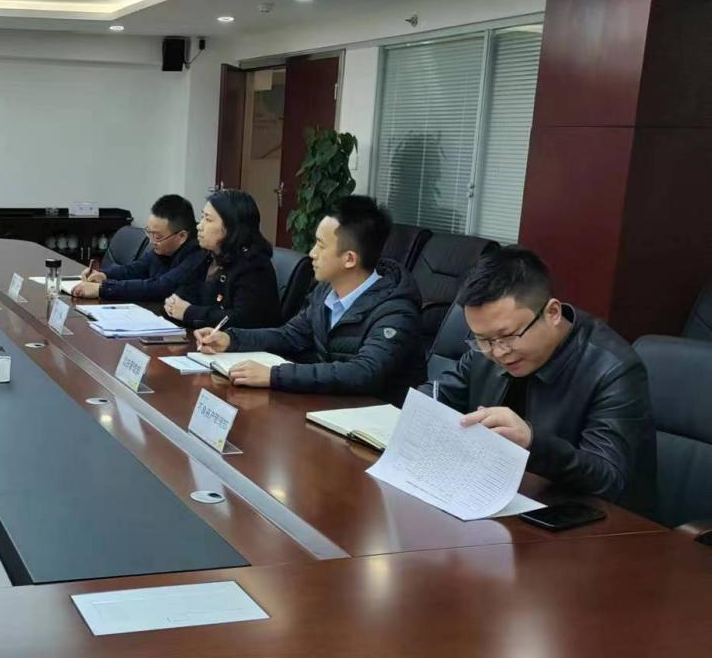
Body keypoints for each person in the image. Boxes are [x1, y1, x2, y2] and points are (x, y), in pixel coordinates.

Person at [438, 246, 657, 511]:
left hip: (585, 519)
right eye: (482, 340)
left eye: (508, 336)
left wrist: (532, 442)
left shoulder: (613, 369)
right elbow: (441, 393)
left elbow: (609, 479)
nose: (498, 352)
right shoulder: (488, 348)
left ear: (552, 313)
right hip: (501, 497)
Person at [194, 196, 423, 399]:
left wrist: (275, 375)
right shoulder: (325, 291)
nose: (312, 253)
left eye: (321, 246)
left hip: (375, 422)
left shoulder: (396, 311)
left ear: (350, 259)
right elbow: (290, 335)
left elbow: (363, 372)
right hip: (329, 406)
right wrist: (231, 339)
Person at [164, 190, 280, 329]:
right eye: (202, 217)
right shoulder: (208, 255)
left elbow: (244, 319)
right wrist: (173, 305)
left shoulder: (253, 266)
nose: (199, 226)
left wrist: (189, 312)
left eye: (208, 219)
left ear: (232, 226)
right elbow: (186, 292)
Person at [71, 195, 207, 302]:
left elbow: (160, 287)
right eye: (149, 232)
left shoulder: (197, 254)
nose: (151, 241)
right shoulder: (162, 248)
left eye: (157, 236)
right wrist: (103, 275)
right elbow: (136, 269)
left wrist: (102, 289)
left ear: (181, 236)